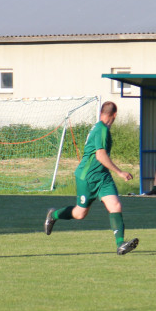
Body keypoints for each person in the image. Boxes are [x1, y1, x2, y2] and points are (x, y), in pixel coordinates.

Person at [44, 101, 138, 255]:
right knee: (80, 214)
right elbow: (100, 155)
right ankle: (53, 215)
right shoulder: (101, 129)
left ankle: (120, 244)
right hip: (87, 177)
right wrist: (120, 172)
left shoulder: (100, 128)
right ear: (114, 115)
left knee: (115, 206)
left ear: (102, 112)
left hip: (103, 177)